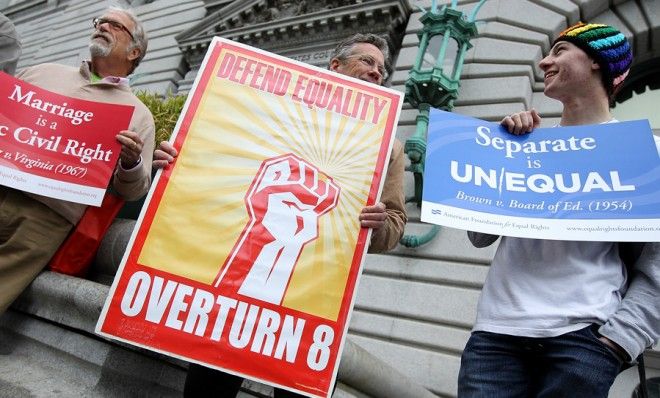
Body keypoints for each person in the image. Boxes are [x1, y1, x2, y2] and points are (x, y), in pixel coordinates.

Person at [155, 33, 407, 397]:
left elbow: (395, 225)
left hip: (316, 295)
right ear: (335, 66)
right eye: (367, 62)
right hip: (238, 278)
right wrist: (179, 160)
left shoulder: (390, 147)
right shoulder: (278, 109)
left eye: (382, 68)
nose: (376, 72)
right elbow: (222, 161)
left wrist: (379, 224)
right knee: (208, 386)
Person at [458, 23, 660, 398]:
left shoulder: (646, 151)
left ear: (597, 62)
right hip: (496, 338)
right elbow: (478, 235)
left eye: (560, 50)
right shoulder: (527, 144)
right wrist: (504, 154)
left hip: (584, 341)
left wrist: (619, 341)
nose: (545, 62)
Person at [0, 6, 155, 314]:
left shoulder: (138, 115)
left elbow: (134, 191)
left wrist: (130, 163)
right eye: (100, 22)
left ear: (134, 51)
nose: (103, 26)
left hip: (46, 218)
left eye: (115, 26)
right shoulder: (42, 72)